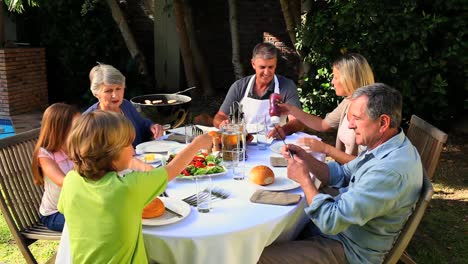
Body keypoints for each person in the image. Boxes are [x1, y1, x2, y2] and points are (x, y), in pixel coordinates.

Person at [259, 83, 423, 264]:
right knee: (274, 231)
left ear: (383, 122)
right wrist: (306, 159)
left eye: (357, 118)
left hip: (348, 250)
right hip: (341, 232)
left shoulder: (388, 172)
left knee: (255, 258)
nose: (351, 125)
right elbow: (342, 174)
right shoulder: (387, 145)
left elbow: (330, 221)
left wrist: (305, 180)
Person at [58, 111, 213, 263]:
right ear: (111, 153)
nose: (133, 150)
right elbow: (172, 170)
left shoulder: (71, 180)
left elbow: (66, 209)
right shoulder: (127, 187)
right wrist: (197, 144)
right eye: (128, 144)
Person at [278, 53, 374, 164]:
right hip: (343, 170)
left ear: (349, 79)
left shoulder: (369, 111)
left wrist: (324, 148)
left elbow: (363, 163)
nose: (332, 81)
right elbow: (323, 124)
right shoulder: (348, 101)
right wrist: (291, 109)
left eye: (336, 77)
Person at [213, 42, 304, 138]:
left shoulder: (286, 86)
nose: (266, 72)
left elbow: (297, 121)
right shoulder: (239, 86)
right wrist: (222, 124)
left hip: (276, 141)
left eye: (271, 67)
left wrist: (284, 129)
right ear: (253, 64)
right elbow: (220, 116)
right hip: (247, 140)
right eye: (262, 67)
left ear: (275, 64)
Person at [84, 63, 164, 147]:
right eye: (108, 91)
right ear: (96, 93)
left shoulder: (126, 105)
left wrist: (153, 127)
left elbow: (143, 124)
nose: (115, 95)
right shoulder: (89, 120)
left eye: (118, 88)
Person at [31, 103, 80, 232]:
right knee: (96, 220)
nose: (81, 130)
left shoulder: (76, 146)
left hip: (79, 206)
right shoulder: (45, 155)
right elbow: (63, 182)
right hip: (55, 214)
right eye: (75, 127)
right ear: (59, 129)